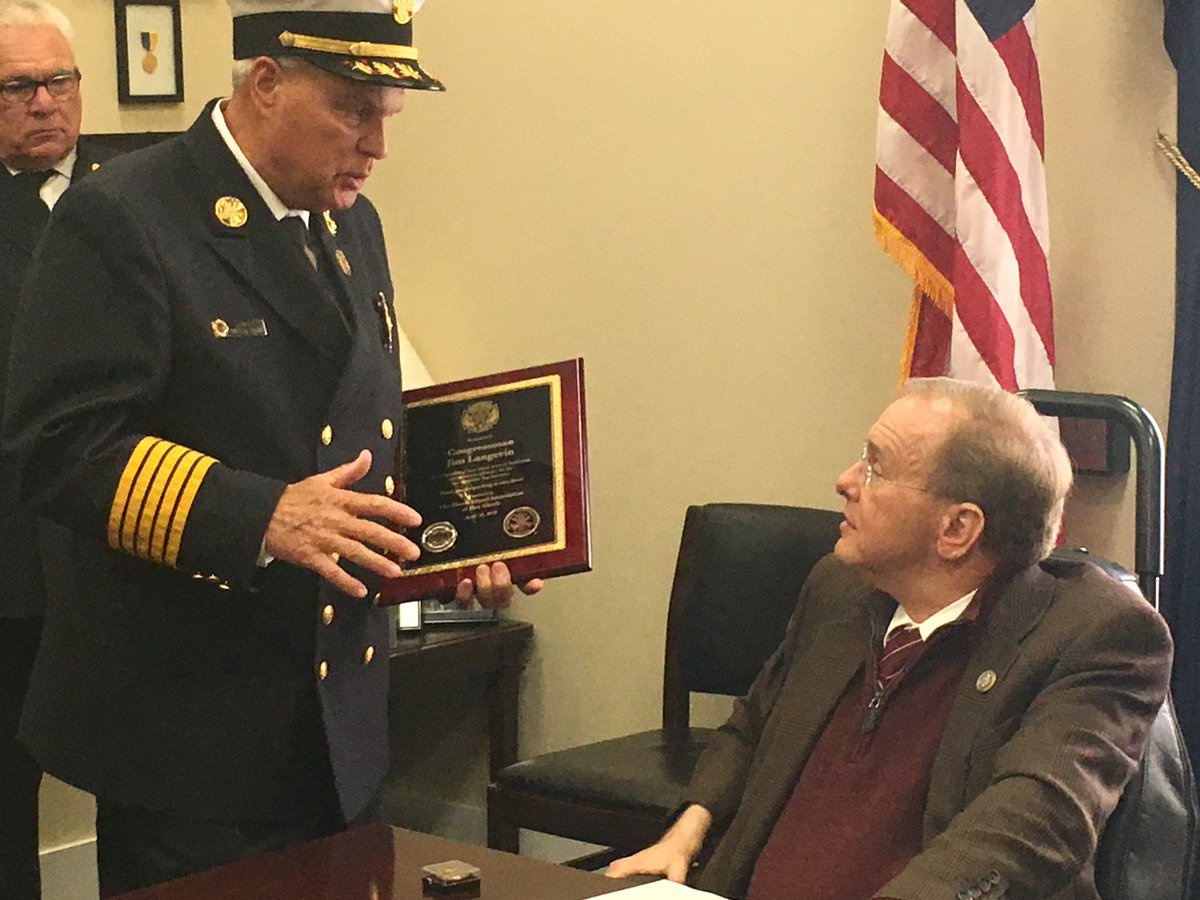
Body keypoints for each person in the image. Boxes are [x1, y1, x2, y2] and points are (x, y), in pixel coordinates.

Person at [1, 0, 538, 894]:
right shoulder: (126, 214)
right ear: (266, 83)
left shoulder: (352, 221)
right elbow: (61, 447)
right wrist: (262, 515)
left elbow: (358, 421)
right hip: (192, 730)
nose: (378, 146)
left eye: (386, 116)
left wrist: (452, 542)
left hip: (337, 720)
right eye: (353, 112)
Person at [608, 378, 1172, 899]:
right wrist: (688, 830)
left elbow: (1031, 825)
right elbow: (754, 725)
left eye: (875, 469)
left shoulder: (1095, 633)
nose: (845, 481)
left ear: (957, 528)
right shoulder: (840, 587)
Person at [0, 2, 112, 896]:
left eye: (59, 80)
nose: (44, 102)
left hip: (131, 547)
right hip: (13, 560)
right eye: (16, 87)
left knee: (150, 785)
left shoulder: (136, 190)